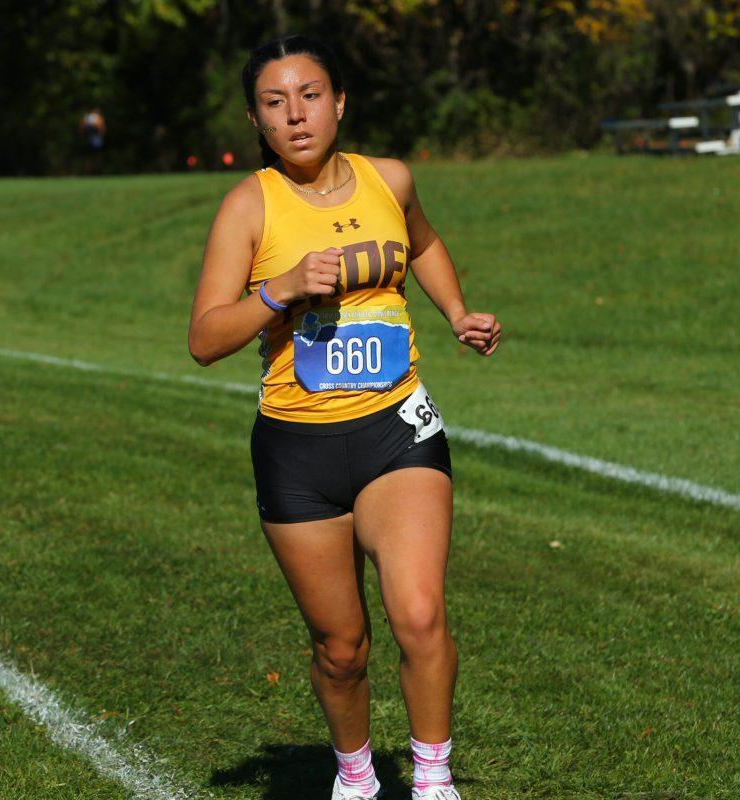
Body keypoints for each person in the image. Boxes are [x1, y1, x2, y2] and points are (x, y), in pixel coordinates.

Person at [188, 36, 500, 800]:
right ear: (258, 122)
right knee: (341, 647)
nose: (296, 114)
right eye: (275, 102)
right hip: (299, 452)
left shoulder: (388, 179)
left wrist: (456, 311)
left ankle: (433, 781)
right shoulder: (248, 206)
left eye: (311, 94)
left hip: (397, 431)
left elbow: (422, 243)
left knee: (420, 615)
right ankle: (356, 778)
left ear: (340, 103)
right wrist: (282, 289)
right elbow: (204, 339)